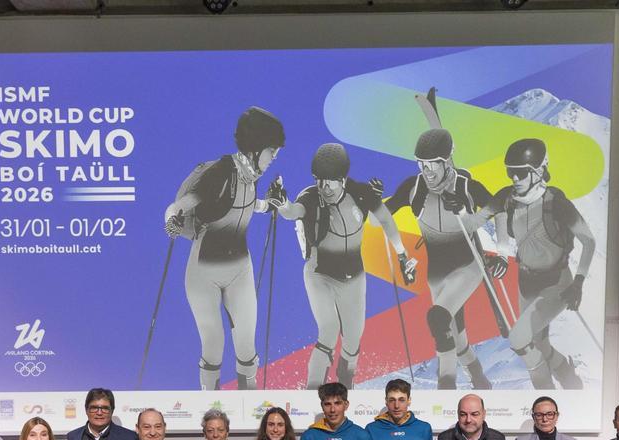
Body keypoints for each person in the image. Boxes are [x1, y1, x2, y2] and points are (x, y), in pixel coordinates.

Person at [274, 142, 416, 389]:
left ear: (343, 179)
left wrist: (402, 255)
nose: (324, 187)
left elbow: (385, 219)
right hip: (320, 274)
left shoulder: (360, 193)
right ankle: (311, 393)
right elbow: (292, 211)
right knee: (329, 331)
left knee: (352, 340)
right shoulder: (310, 197)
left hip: (353, 277)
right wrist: (282, 202)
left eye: (330, 181)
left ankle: (345, 387)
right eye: (319, 180)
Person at [165, 106, 286, 390]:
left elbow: (246, 205)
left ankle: (250, 405)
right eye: (272, 152)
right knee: (214, 343)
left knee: (246, 342)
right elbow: (181, 204)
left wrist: (271, 205)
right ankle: (212, 409)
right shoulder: (220, 172)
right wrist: (171, 219)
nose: (274, 159)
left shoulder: (252, 175)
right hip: (203, 272)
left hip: (240, 269)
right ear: (257, 148)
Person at [385, 127, 501, 389]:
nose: (427, 171)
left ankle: (445, 387)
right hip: (436, 274)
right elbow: (382, 213)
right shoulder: (413, 188)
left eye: (432, 165)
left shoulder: (465, 186)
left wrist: (470, 218)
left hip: (467, 267)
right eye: (421, 164)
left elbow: (500, 208)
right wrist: (370, 201)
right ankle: (478, 376)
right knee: (456, 337)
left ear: (446, 161)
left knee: (438, 319)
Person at [489, 138, 596, 389]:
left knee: (518, 339)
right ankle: (570, 379)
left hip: (555, 282)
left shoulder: (555, 202)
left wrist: (579, 281)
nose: (514, 179)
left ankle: (546, 400)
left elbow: (588, 241)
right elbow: (474, 220)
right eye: (510, 172)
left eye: (521, 173)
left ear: (538, 171)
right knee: (539, 344)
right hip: (525, 282)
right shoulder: (510, 200)